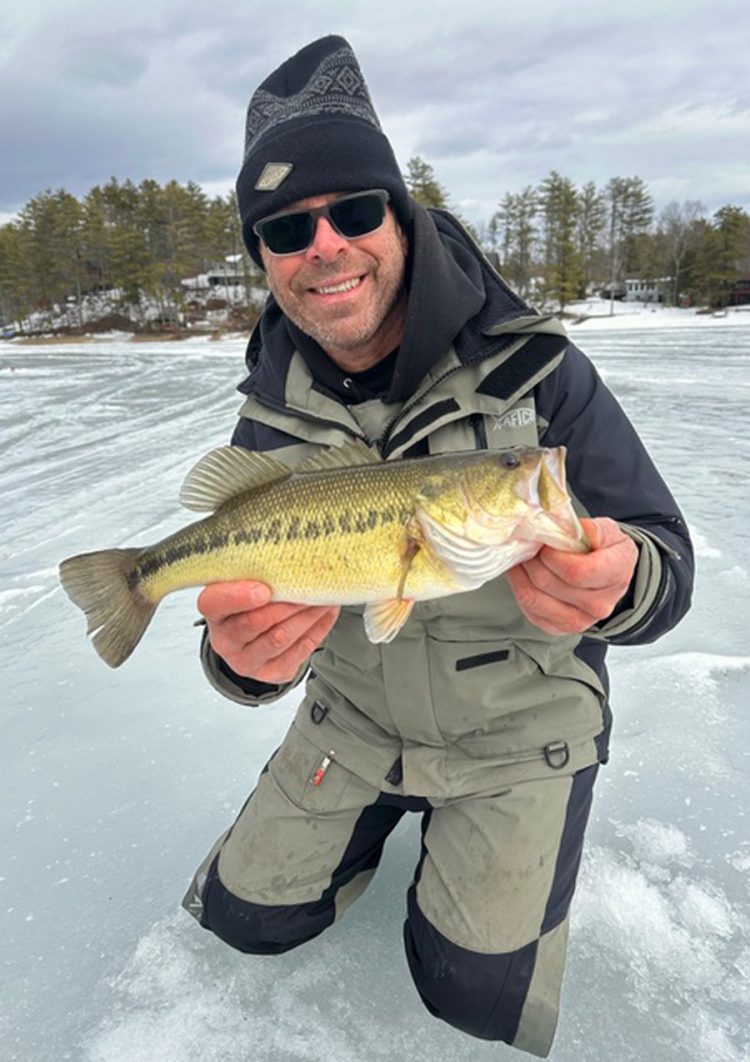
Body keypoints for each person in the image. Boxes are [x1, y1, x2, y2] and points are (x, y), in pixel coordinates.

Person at [182, 35, 693, 1057]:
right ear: (267, 257)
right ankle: (372, 822)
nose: (325, 244)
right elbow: (241, 604)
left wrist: (622, 579)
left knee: (467, 994)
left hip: (517, 732)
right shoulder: (268, 422)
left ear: (399, 216)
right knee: (243, 923)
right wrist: (237, 662)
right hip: (355, 721)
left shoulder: (540, 372)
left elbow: (667, 563)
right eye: (287, 228)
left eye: (355, 210)